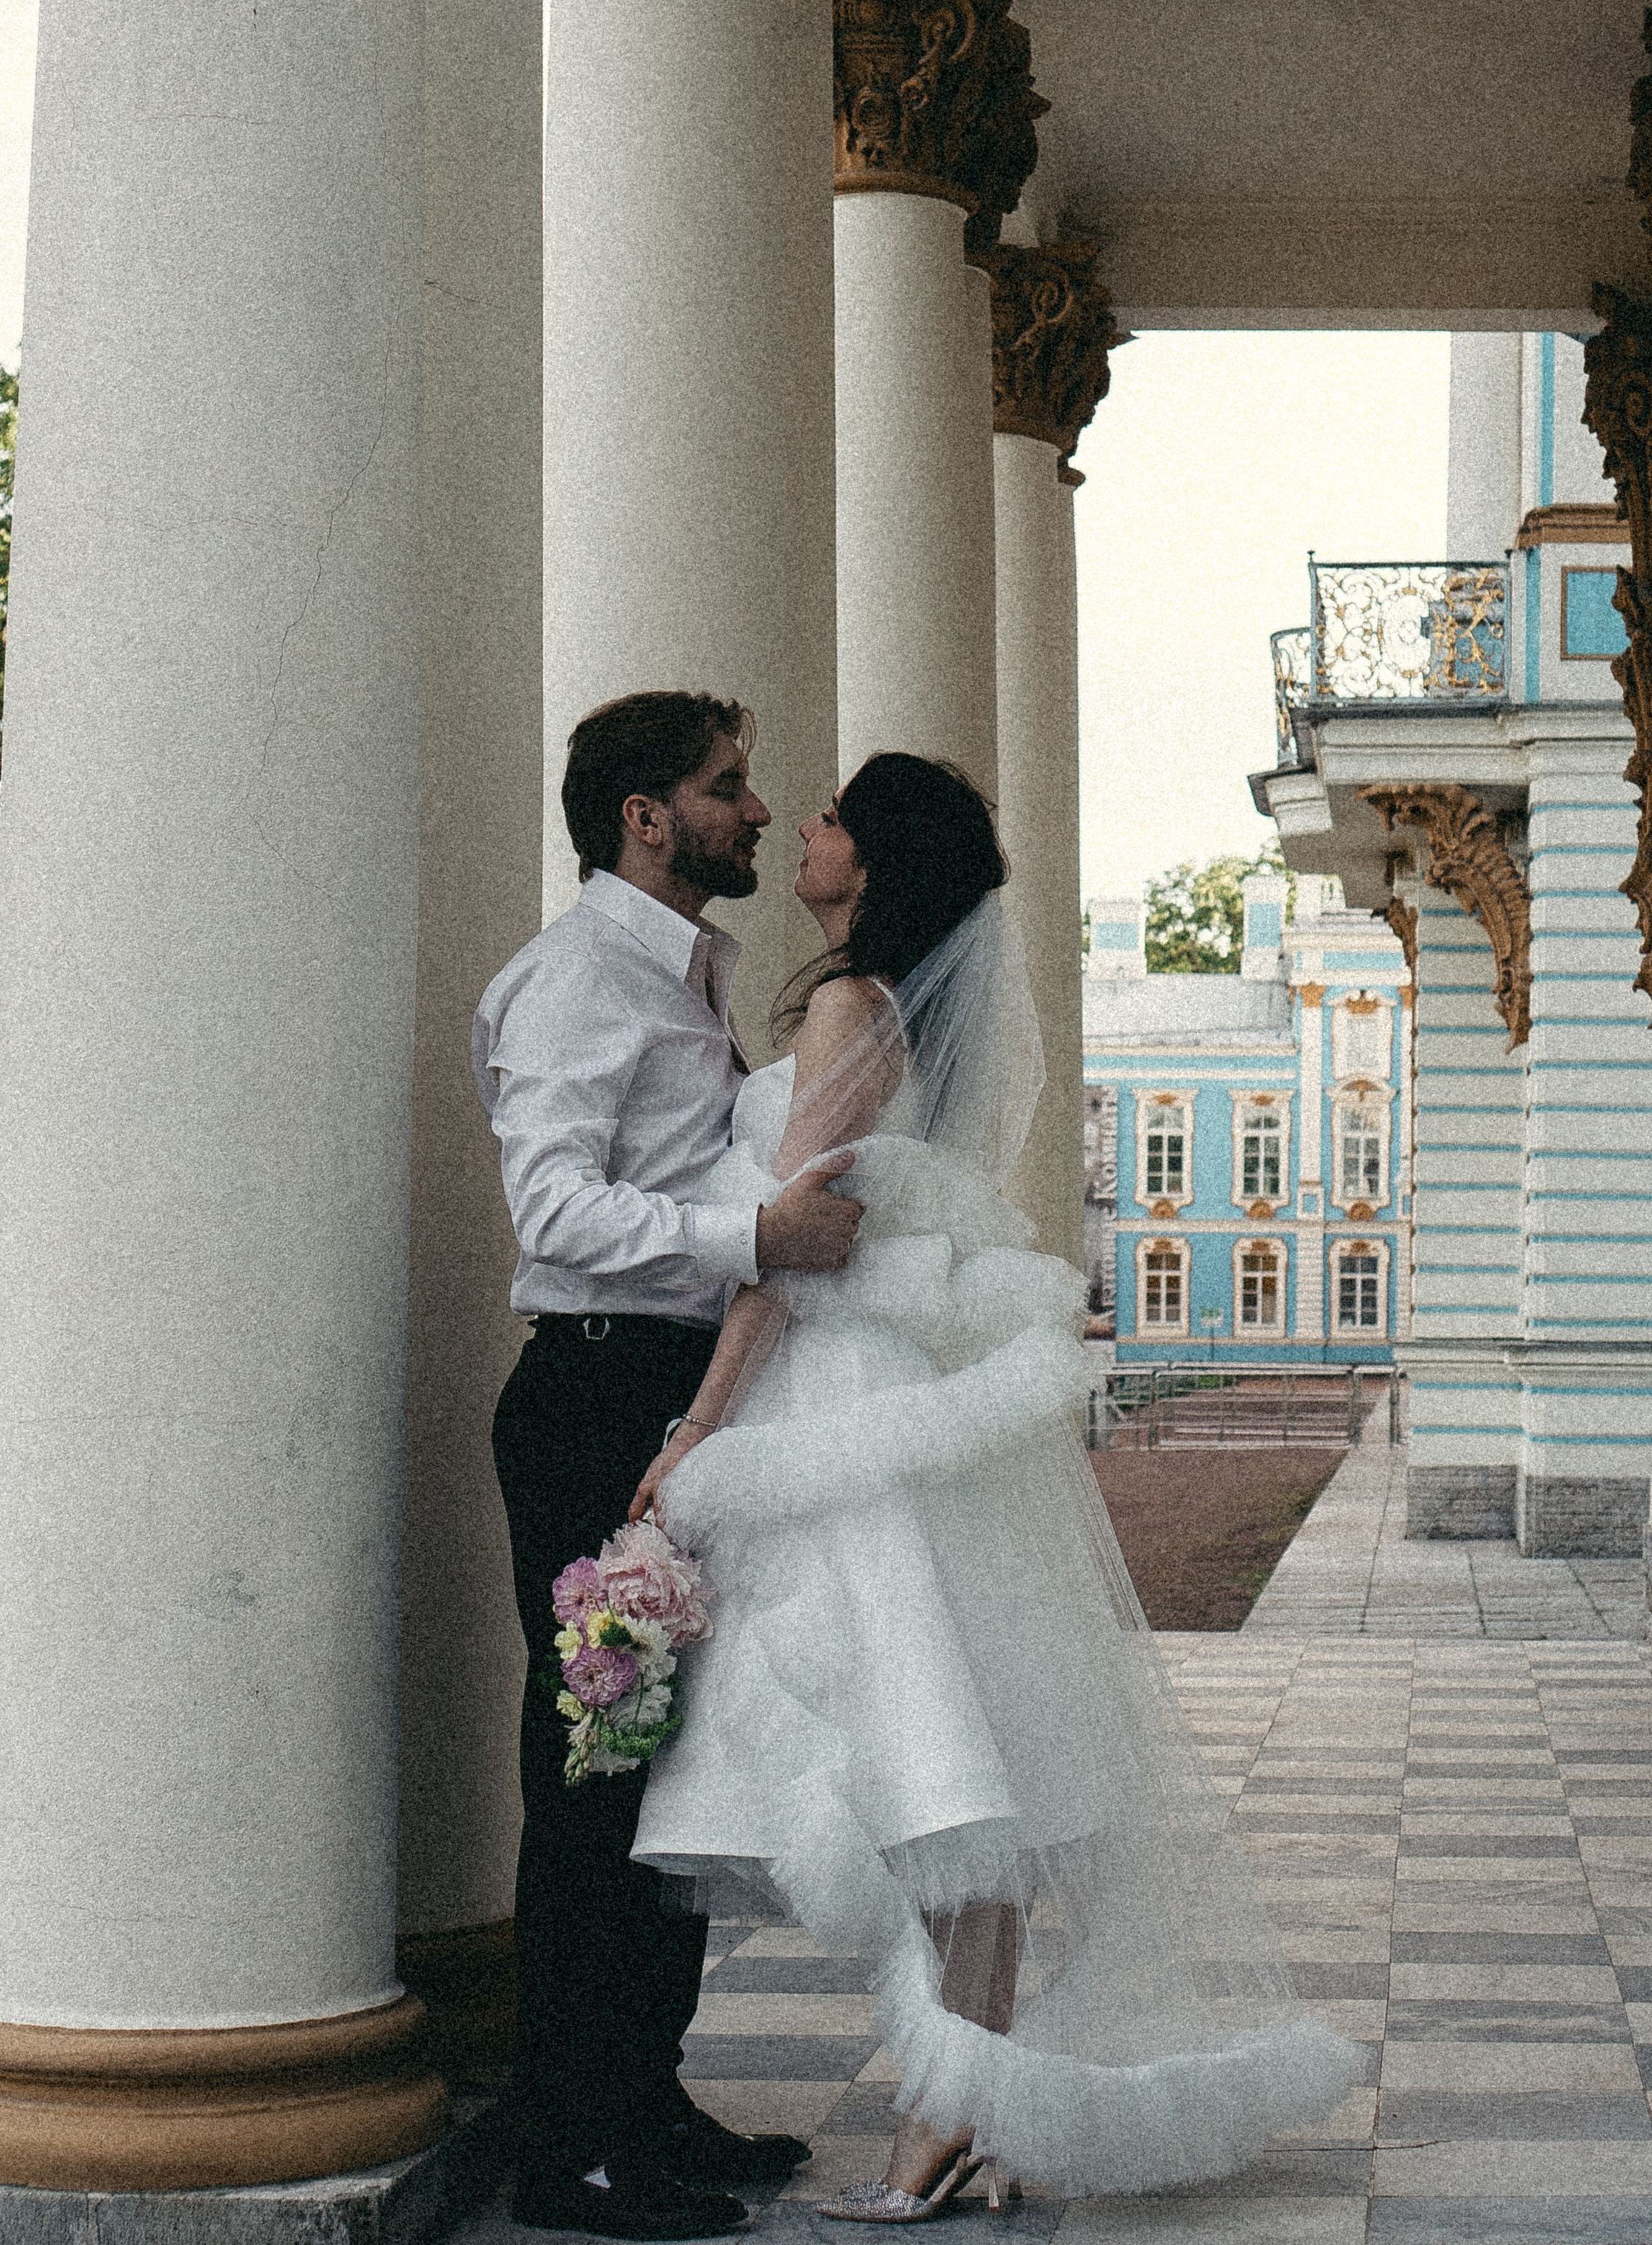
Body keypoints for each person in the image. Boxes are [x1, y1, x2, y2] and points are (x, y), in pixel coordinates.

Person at [629, 754, 1357, 2217]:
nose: (804, 828)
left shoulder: (852, 1004)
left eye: (833, 817)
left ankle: (947, 2115)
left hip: (840, 1397)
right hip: (895, 1389)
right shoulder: (902, 1011)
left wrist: (698, 1428)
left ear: (877, 861)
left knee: (933, 1767)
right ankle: (961, 2110)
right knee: (960, 1766)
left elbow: (794, 1243)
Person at [476, 691, 867, 2242]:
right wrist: (754, 1234)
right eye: (726, 787)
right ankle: (569, 2147)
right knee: (591, 1779)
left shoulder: (681, 969)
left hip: (666, 1397)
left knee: (657, 1768)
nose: (759, 811)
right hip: (593, 1399)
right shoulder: (576, 979)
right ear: (644, 818)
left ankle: (643, 2098)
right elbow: (553, 1212)